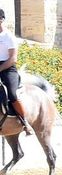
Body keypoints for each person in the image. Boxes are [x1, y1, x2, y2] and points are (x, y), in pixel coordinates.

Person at [0, 8, 30, 136]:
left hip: (7, 68)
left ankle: (25, 123)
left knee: (12, 94)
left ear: (1, 20)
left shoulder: (8, 37)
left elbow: (13, 58)